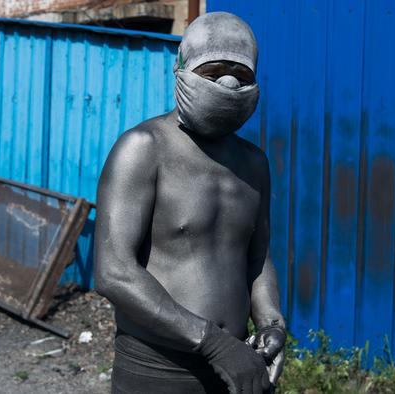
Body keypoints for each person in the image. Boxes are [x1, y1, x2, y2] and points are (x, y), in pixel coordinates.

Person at [94, 12, 286, 394]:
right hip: (157, 371)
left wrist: (271, 323)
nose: (228, 84)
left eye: (241, 75)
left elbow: (257, 256)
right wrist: (212, 342)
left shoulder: (254, 163)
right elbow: (113, 271)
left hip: (237, 371)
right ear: (181, 70)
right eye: (214, 71)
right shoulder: (144, 147)